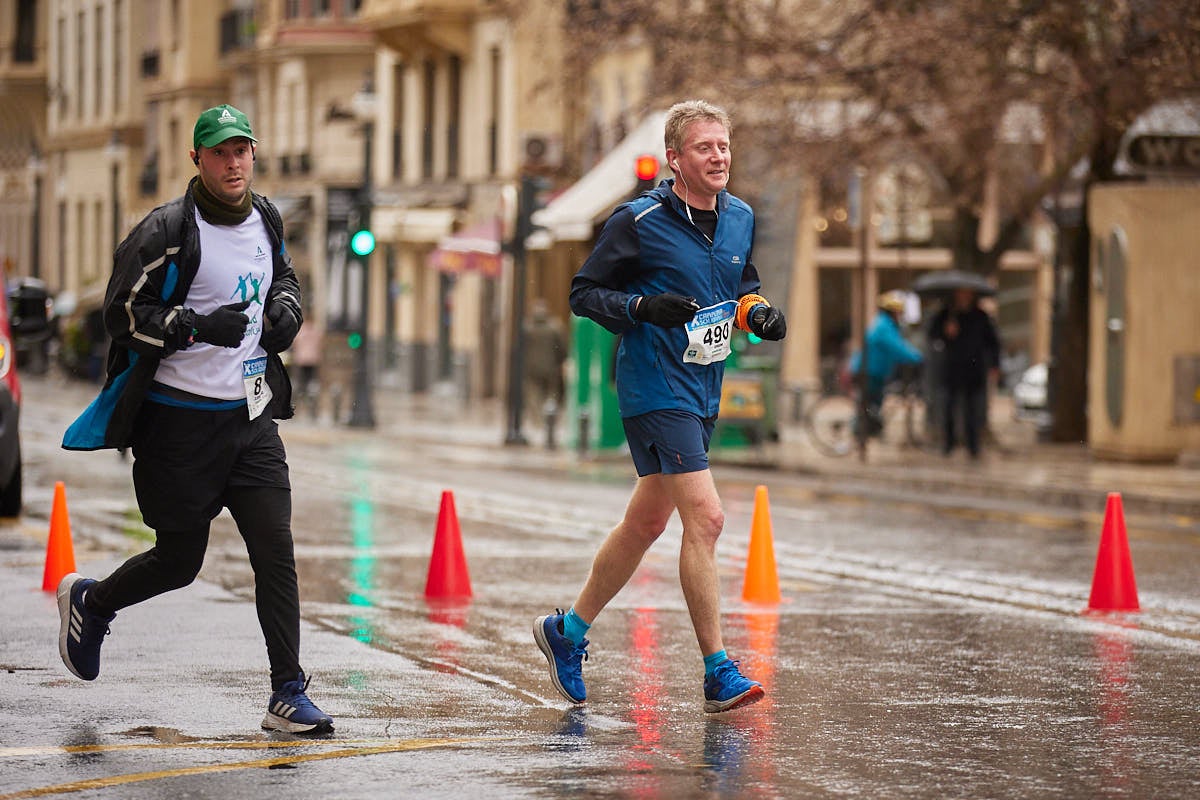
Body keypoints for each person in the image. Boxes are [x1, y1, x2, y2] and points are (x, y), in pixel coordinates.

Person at [59, 104, 332, 735]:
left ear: (253, 155)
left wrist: (286, 310)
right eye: (219, 153)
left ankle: (287, 693)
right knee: (181, 559)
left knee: (276, 552)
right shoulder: (166, 230)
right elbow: (121, 311)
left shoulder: (266, 217)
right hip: (177, 424)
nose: (233, 163)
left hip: (250, 417)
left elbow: (283, 280)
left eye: (242, 151)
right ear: (197, 160)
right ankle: (93, 603)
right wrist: (191, 326)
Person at [533, 100, 786, 714]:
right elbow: (584, 293)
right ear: (675, 159)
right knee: (707, 518)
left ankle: (566, 632)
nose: (719, 156)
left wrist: (757, 312)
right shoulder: (637, 220)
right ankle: (717, 671)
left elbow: (738, 284)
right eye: (705, 148)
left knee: (647, 523)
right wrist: (643, 309)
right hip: (653, 386)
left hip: (704, 386)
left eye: (724, 146)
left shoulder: (741, 216)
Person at [927, 286, 1001, 459]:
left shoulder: (981, 316)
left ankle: (973, 446)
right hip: (951, 368)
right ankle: (948, 444)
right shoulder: (945, 315)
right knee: (948, 407)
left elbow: (993, 342)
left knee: (973, 409)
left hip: (974, 369)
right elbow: (932, 336)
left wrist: (994, 365)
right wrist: (945, 332)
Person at [849, 290, 924, 436]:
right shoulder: (884, 326)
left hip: (875, 371)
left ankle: (868, 431)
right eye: (898, 312)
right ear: (892, 311)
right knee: (869, 405)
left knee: (872, 404)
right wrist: (917, 358)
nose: (900, 315)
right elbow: (897, 348)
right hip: (869, 372)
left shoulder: (886, 324)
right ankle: (860, 433)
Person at [522, 298, 567, 436]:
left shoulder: (527, 327)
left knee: (534, 396)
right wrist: (561, 361)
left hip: (532, 368)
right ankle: (549, 422)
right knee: (551, 395)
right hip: (551, 368)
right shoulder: (555, 327)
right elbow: (563, 348)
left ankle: (538, 422)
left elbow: (521, 349)